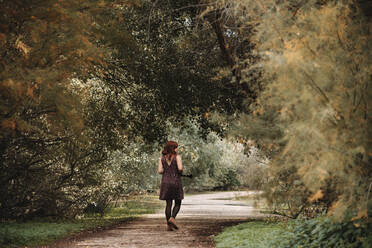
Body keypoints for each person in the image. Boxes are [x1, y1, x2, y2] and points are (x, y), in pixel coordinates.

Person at [157, 141, 184, 231]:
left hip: (165, 181)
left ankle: (169, 225)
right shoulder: (177, 157)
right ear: (173, 148)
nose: (177, 149)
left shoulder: (161, 159)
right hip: (175, 181)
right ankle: (172, 218)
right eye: (176, 147)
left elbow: (160, 171)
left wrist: (167, 171)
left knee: (168, 203)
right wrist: (179, 172)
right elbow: (180, 168)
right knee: (178, 202)